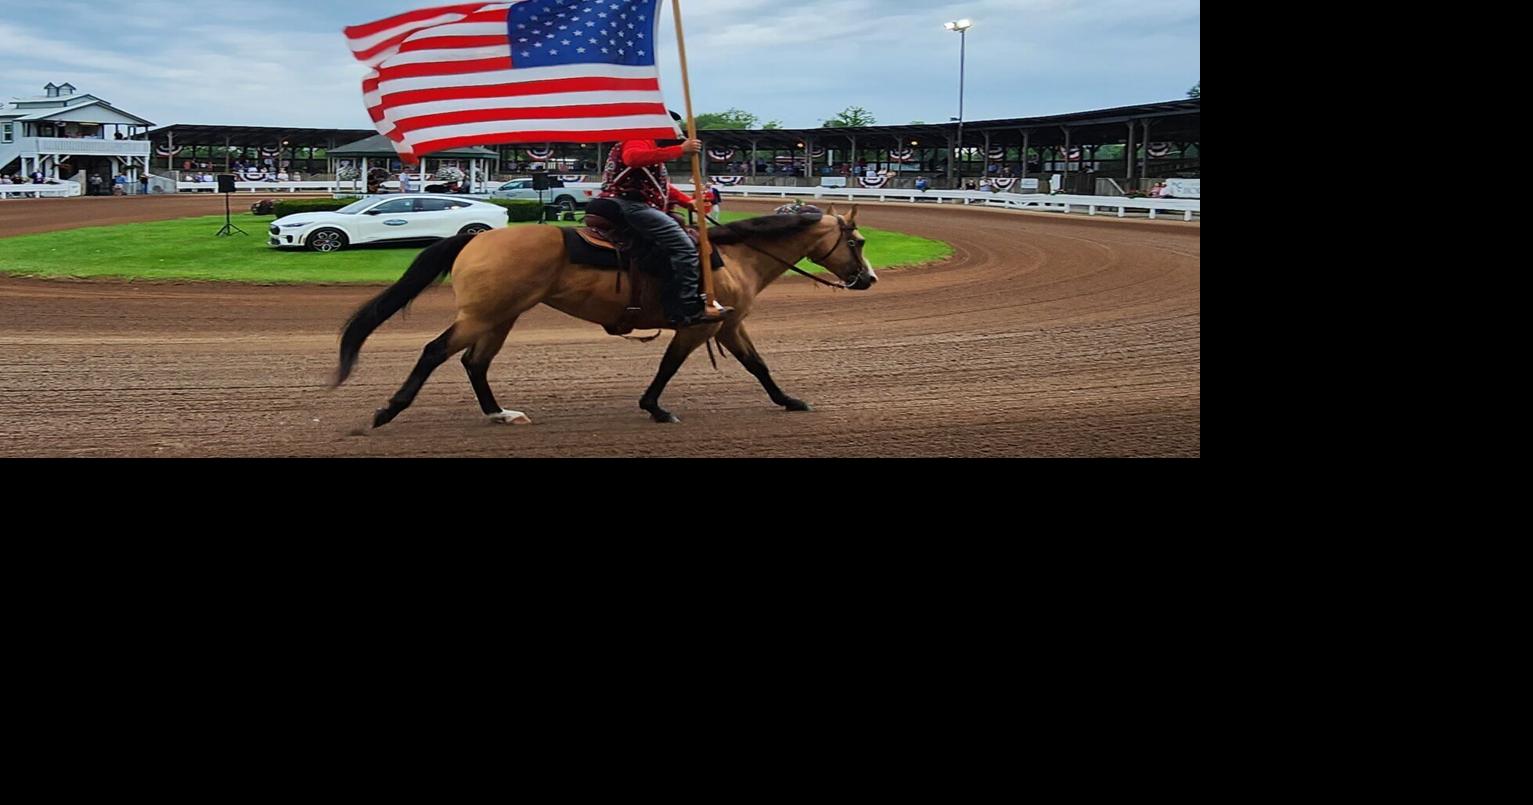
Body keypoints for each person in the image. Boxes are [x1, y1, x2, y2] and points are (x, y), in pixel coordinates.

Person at [599, 112, 731, 328]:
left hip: (624, 204)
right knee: (686, 249)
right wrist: (681, 150)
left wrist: (687, 202)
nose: (674, 128)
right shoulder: (638, 137)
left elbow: (659, 185)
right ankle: (687, 308)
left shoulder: (646, 142)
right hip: (629, 205)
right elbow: (632, 158)